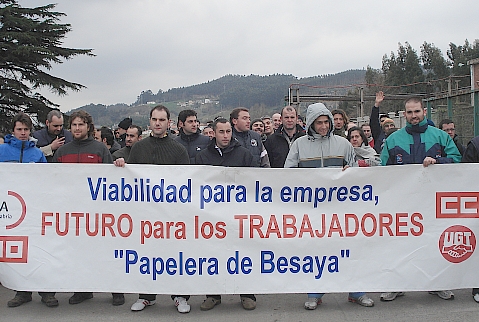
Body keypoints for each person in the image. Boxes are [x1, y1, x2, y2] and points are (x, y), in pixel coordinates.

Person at [284, 103, 373, 309]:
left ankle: (357, 291)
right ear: (311, 124)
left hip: (341, 209)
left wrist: (349, 171)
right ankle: (315, 293)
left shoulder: (343, 144)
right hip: (313, 209)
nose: (323, 126)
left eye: (326, 122)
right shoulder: (299, 145)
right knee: (316, 251)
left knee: (349, 249)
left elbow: (354, 174)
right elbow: (287, 174)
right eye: (319, 122)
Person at [379, 97, 461, 302]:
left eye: (416, 112)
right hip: (402, 203)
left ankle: (438, 284)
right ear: (404, 114)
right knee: (399, 243)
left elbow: (458, 162)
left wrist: (438, 161)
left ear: (424, 111)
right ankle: (396, 284)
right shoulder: (393, 140)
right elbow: (382, 171)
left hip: (433, 203)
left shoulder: (441, 136)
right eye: (409, 112)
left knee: (434, 241)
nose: (413, 116)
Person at [115, 105, 191, 313]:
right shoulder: (138, 148)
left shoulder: (178, 150)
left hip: (172, 213)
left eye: (162, 120)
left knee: (176, 255)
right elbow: (130, 178)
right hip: (146, 214)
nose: (158, 123)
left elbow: (186, 182)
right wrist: (121, 166)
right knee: (147, 254)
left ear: (169, 123)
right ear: (149, 121)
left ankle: (180, 296)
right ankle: (146, 296)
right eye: (154, 119)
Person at [53, 111, 122, 306]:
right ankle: (82, 290)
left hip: (98, 212)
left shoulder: (100, 149)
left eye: (81, 125)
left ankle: (116, 290)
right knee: (78, 253)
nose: (77, 128)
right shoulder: (62, 152)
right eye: (74, 125)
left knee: (107, 252)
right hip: (73, 213)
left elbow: (112, 181)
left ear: (88, 127)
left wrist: (118, 165)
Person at [194, 118, 256, 311]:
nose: (226, 136)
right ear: (213, 133)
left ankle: (247, 294)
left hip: (238, 214)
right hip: (213, 216)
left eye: (228, 131)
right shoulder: (203, 157)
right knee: (213, 255)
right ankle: (213, 295)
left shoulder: (244, 154)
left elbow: (256, 182)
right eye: (221, 132)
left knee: (243, 254)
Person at [1, 113, 53, 307]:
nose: (23, 133)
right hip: (11, 212)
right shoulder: (2, 151)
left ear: (30, 131)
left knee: (40, 251)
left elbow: (46, 181)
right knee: (18, 253)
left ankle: (46, 292)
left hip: (35, 210)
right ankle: (22, 292)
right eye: (19, 129)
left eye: (26, 130)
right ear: (13, 131)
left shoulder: (37, 154)